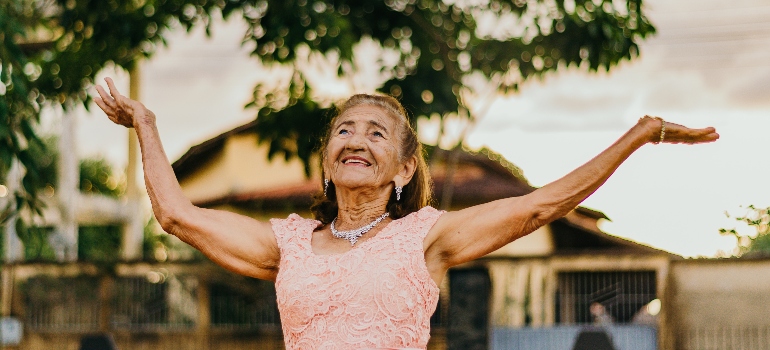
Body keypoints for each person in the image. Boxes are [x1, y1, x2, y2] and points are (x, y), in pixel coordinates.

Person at [94, 77, 718, 349]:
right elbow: (175, 215)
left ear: (403, 170)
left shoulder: (426, 237)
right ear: (327, 157)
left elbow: (542, 206)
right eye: (344, 129)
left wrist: (641, 135)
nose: (356, 139)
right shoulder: (286, 243)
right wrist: (145, 125)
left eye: (376, 133)